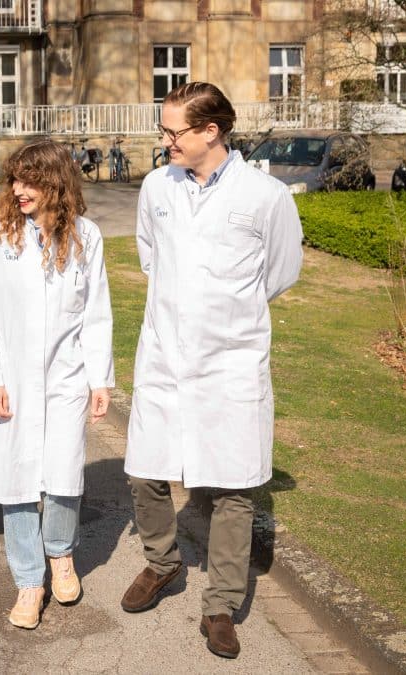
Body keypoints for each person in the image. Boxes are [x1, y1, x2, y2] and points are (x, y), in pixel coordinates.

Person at [120, 81, 302, 659]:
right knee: (145, 471)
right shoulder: (157, 186)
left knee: (235, 483)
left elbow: (280, 272)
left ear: (210, 132)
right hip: (165, 355)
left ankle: (221, 604)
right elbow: (151, 255)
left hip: (231, 361)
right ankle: (163, 563)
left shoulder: (266, 196)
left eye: (174, 132)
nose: (165, 140)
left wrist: (226, 315)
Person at [0, 140, 114, 630]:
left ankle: (60, 554)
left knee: (63, 473)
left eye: (30, 181)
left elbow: (96, 313)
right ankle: (29, 580)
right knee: (16, 479)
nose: (18, 190)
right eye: (14, 180)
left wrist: (100, 378)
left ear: (56, 183)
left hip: (66, 375)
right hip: (11, 378)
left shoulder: (85, 237)